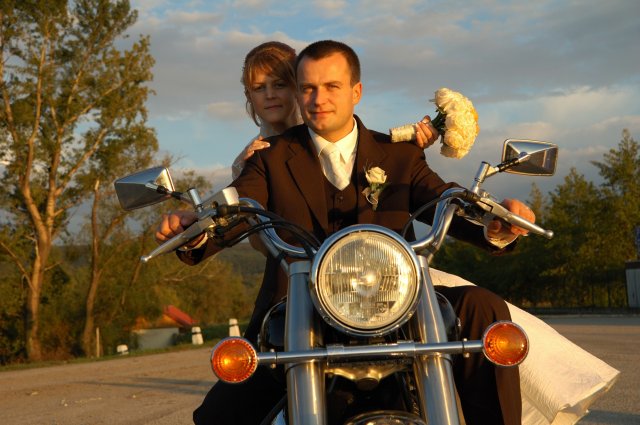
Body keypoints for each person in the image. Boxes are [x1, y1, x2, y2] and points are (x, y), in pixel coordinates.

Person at [158, 40, 534, 425]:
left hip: (395, 306)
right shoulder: (269, 157)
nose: (318, 98)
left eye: (331, 86)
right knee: (217, 417)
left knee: (481, 307)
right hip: (302, 309)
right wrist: (194, 227)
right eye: (308, 88)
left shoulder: (398, 153)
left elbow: (443, 197)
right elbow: (239, 204)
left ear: (356, 92)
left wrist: (496, 221)